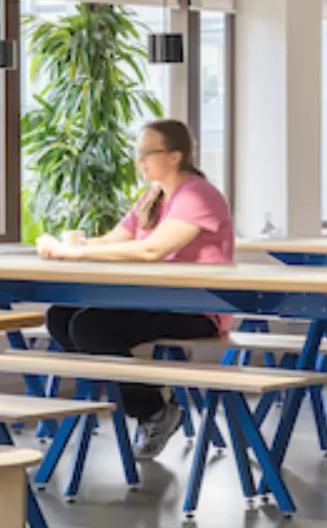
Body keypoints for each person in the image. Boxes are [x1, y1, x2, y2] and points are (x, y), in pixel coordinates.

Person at [36, 118, 234, 460]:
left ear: (174, 156)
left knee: (89, 326)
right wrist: (65, 244)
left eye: (147, 153)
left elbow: (151, 250)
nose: (139, 161)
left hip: (196, 308)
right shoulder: (153, 197)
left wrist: (79, 252)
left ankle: (153, 410)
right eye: (138, 153)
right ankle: (137, 396)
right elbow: (114, 240)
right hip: (152, 300)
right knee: (60, 316)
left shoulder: (198, 195)